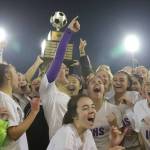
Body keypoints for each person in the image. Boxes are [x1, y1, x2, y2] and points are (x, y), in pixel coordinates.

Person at [39, 16, 81, 139]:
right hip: (59, 143)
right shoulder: (47, 89)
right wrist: (68, 32)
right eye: (62, 68)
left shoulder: (68, 96)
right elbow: (58, 58)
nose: (66, 70)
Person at [0, 64, 40, 150]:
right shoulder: (4, 99)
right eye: (15, 72)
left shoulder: (7, 98)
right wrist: (33, 112)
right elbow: (14, 134)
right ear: (7, 75)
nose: (18, 78)